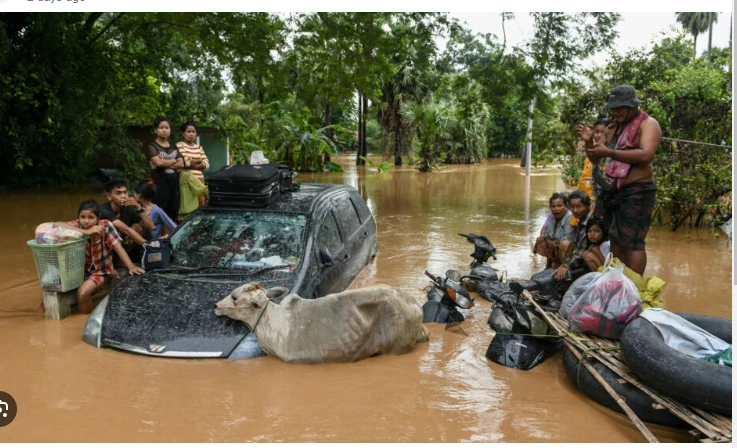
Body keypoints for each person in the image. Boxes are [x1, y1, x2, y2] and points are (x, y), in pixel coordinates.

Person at [577, 85, 660, 275]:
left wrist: (610, 152)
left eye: (620, 107)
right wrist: (589, 141)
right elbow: (595, 157)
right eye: (613, 108)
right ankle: (618, 281)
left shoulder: (648, 124)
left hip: (637, 190)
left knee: (634, 242)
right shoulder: (612, 128)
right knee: (614, 237)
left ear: (633, 106)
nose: (616, 112)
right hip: (613, 190)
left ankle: (634, 286)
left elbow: (647, 154)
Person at [54, 200, 145, 313]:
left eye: (90, 217)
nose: (86, 221)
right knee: (49, 297)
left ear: (98, 218)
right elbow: (56, 224)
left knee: (82, 294)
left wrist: (131, 267)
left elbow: (118, 247)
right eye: (83, 217)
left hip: (100, 272)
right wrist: (85, 232)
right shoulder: (78, 225)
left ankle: (85, 321)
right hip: (80, 271)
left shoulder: (106, 226)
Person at [101, 178, 153, 263]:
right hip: (107, 247)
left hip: (124, 244)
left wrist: (138, 207)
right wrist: (148, 245)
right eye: (118, 193)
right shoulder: (104, 210)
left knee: (138, 227)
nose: (124, 196)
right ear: (109, 196)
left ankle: (121, 260)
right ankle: (117, 262)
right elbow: (125, 229)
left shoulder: (129, 207)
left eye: (125, 192)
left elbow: (151, 227)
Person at [148, 116, 183, 221]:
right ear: (155, 130)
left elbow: (181, 164)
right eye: (161, 127)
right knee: (160, 213)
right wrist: (173, 161)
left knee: (173, 213)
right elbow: (158, 163)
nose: (164, 130)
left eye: (167, 128)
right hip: (159, 187)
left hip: (174, 186)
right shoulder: (152, 146)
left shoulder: (174, 146)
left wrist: (165, 162)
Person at [554, 190, 592, 281]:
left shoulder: (590, 222)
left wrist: (565, 265)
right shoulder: (581, 220)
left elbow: (582, 248)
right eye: (572, 207)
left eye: (579, 206)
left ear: (587, 206)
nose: (575, 210)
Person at [577, 115, 610, 212]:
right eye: (597, 132)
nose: (599, 135)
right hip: (594, 202)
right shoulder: (591, 156)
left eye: (603, 132)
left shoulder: (614, 153)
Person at [534, 193, 573, 269]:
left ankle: (564, 266)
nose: (556, 209)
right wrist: (548, 240)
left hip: (567, 248)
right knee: (540, 240)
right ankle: (550, 264)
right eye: (553, 206)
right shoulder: (552, 216)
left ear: (566, 206)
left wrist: (552, 242)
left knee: (561, 245)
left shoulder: (569, 217)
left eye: (559, 206)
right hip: (555, 243)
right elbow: (546, 232)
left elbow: (565, 239)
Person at [176, 120, 210, 206]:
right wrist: (199, 161)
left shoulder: (199, 147)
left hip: (200, 181)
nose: (191, 134)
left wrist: (190, 164)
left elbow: (207, 164)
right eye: (188, 131)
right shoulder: (180, 145)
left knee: (200, 204)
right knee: (189, 205)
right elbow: (184, 162)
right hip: (187, 181)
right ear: (183, 133)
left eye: (193, 131)